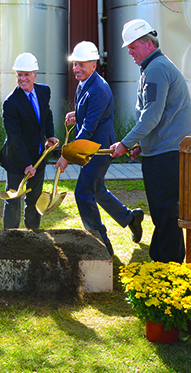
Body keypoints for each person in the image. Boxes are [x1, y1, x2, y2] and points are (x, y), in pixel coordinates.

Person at [111, 19, 191, 263]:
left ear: (148, 44)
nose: (130, 52)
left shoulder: (156, 69)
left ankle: (168, 264)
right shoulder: (155, 66)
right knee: (162, 212)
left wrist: (125, 143)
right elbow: (161, 117)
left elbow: (152, 116)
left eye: (133, 47)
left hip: (166, 155)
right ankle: (162, 260)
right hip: (163, 151)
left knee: (166, 212)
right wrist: (142, 145)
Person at [56, 41, 144, 256]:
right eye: (75, 64)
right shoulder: (84, 83)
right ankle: (131, 218)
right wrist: (76, 114)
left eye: (82, 65)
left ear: (94, 65)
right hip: (91, 147)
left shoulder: (99, 89)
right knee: (97, 190)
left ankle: (101, 244)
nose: (76, 69)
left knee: (83, 193)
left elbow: (88, 128)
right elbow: (88, 114)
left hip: (99, 150)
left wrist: (67, 155)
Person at [0, 52, 59, 229]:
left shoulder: (44, 91)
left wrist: (50, 134)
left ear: (34, 74)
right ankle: (10, 237)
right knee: (14, 199)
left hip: (39, 155)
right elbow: (15, 137)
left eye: (26, 74)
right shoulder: (10, 102)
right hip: (17, 158)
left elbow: (47, 114)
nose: (23, 79)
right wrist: (26, 164)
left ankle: (32, 234)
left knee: (34, 197)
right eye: (19, 75)